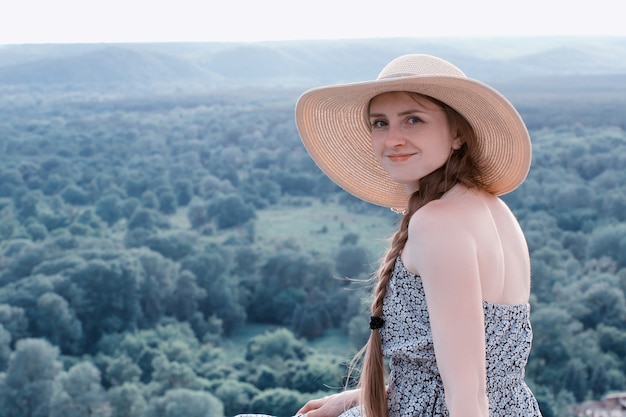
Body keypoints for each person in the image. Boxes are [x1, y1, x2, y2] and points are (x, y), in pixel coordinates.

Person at [237, 53, 542, 417]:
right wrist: (356, 397)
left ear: (458, 133)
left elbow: (468, 396)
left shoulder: (438, 222)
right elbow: (455, 372)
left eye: (413, 120)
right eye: (380, 123)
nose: (393, 138)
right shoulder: (492, 208)